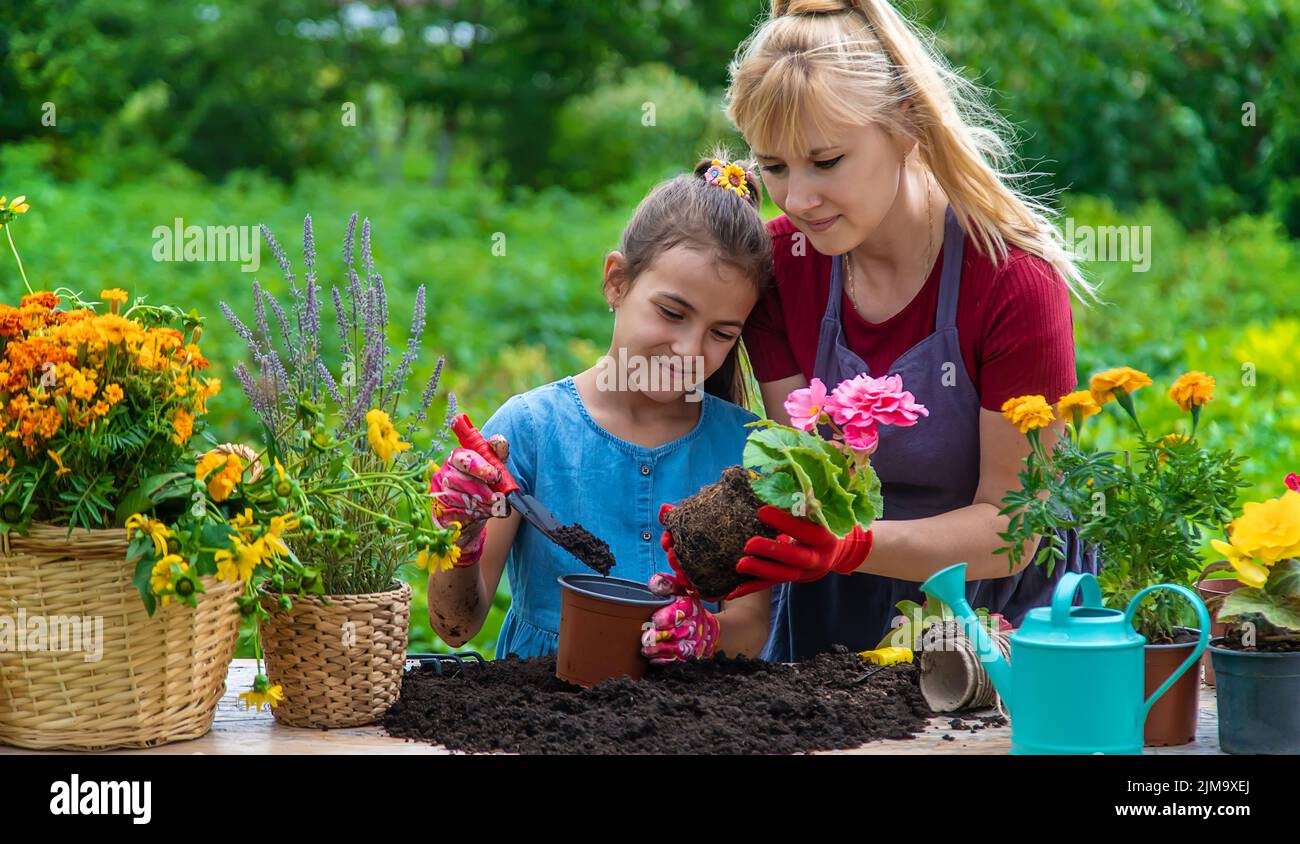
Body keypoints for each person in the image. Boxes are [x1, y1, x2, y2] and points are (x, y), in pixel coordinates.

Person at [719, 0, 1100, 660]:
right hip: (835, 615)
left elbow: (1011, 528)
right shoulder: (780, 268)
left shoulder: (1014, 282)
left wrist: (852, 544)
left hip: (997, 623)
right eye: (773, 167)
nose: (799, 199)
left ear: (906, 125)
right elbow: (806, 474)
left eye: (827, 160)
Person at [425, 153, 776, 662]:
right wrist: (463, 533)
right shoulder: (530, 431)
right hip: (542, 710)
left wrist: (709, 634)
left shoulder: (748, 449)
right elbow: (455, 627)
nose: (689, 350)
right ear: (616, 281)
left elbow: (750, 626)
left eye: (722, 333)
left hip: (694, 714)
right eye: (672, 313)